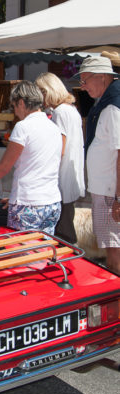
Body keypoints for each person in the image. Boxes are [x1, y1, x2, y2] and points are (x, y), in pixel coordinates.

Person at [0, 81, 63, 235]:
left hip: (29, 203)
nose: (15, 112)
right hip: (51, 201)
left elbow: (3, 168)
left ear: (21, 103)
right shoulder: (54, 127)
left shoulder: (23, 127)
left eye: (14, 106)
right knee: (44, 252)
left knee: (24, 255)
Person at [76, 56, 120, 275]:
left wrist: (118, 198)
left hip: (111, 193)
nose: (82, 87)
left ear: (102, 77)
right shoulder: (107, 103)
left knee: (115, 256)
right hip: (108, 192)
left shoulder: (113, 107)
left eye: (85, 81)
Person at [35, 72, 85, 243]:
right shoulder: (70, 110)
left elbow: (59, 148)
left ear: (48, 91)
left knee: (64, 233)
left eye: (41, 92)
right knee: (66, 226)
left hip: (61, 180)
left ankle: (68, 264)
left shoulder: (61, 112)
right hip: (69, 176)